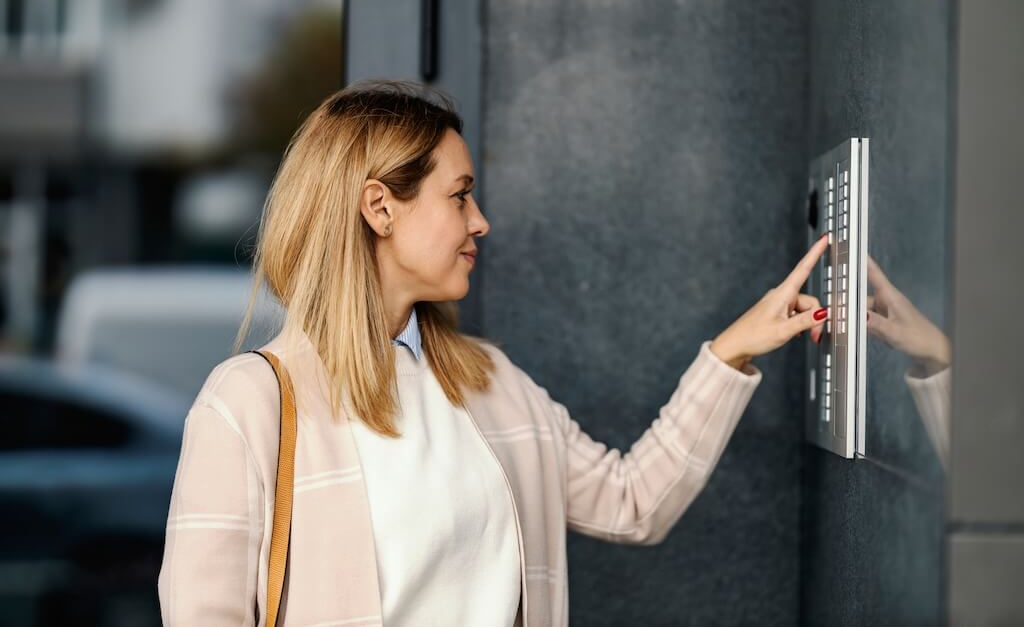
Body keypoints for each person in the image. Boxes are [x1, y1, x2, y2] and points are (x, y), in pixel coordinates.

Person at [156, 79, 830, 626]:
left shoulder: (489, 381)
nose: (481, 221)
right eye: (460, 194)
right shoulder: (248, 404)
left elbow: (633, 503)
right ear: (380, 208)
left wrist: (733, 349)